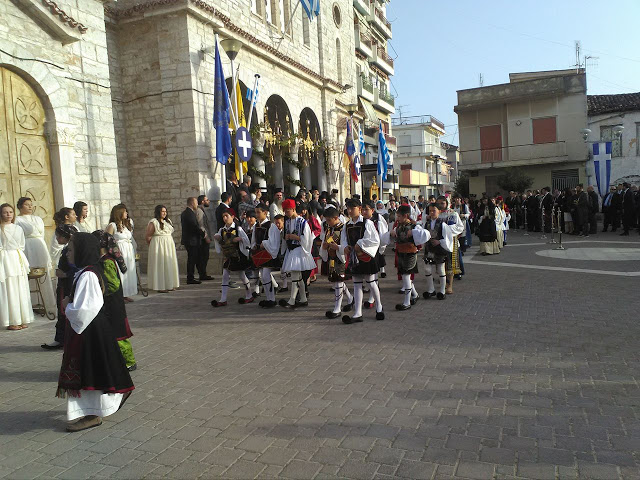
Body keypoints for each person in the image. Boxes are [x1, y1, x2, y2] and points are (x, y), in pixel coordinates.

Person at [56, 232, 134, 432]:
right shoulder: (85, 272)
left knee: (91, 373)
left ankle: (93, 413)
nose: (67, 254)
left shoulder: (89, 275)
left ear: (83, 250)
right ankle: (93, 409)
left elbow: (85, 310)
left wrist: (67, 304)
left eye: (71, 250)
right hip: (88, 331)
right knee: (93, 371)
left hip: (90, 332)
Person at [93, 230, 137, 372]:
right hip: (109, 304)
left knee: (119, 335)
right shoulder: (102, 260)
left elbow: (112, 285)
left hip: (113, 304)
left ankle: (129, 362)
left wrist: (100, 293)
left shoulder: (107, 262)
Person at [340, 198, 384, 324]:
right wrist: (345, 247)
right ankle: (358, 312)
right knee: (356, 283)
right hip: (354, 257)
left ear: (359, 209)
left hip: (366, 256)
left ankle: (379, 307)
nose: (349, 211)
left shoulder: (367, 223)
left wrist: (360, 243)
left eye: (352, 208)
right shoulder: (347, 225)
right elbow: (344, 240)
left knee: (371, 282)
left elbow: (375, 239)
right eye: (348, 209)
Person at [15, 196, 57, 316]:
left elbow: (41, 233)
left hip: (40, 245)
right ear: (20, 207)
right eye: (27, 204)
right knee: (31, 273)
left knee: (44, 274)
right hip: (28, 246)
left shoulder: (38, 219)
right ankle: (32, 303)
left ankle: (48, 303)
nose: (30, 206)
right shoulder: (17, 220)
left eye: (31, 204)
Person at [383, 204, 429, 311]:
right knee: (405, 276)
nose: (397, 219)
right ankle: (415, 295)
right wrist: (391, 232)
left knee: (406, 276)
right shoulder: (398, 226)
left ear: (406, 215)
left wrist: (413, 232)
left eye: (399, 216)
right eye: (397, 216)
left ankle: (407, 301)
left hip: (410, 253)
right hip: (400, 252)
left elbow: (425, 234)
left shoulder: (414, 226)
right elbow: (388, 236)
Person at [41, 224, 78, 349]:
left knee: (64, 312)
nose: (56, 238)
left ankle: (62, 339)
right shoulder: (67, 249)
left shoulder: (71, 250)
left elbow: (78, 267)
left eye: (58, 236)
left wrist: (66, 274)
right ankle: (62, 338)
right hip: (65, 284)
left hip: (67, 286)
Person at [0, 203, 34, 330]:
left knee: (20, 288)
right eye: (5, 212)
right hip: (5, 260)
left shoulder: (18, 229)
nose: (8, 214)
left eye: (10, 212)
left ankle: (22, 318)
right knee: (9, 289)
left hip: (17, 258)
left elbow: (21, 245)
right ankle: (11, 320)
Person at [211, 210, 253, 307]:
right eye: (223, 217)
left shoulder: (238, 229)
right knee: (225, 276)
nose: (224, 218)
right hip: (228, 257)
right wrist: (217, 238)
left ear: (232, 216)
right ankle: (223, 299)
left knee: (242, 275)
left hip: (237, 256)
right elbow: (220, 240)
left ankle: (249, 294)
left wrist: (240, 239)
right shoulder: (222, 230)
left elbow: (247, 241)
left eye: (226, 216)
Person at [279, 199, 315, 309]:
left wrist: (296, 237)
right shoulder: (287, 222)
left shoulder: (303, 222)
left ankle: (292, 300)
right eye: (285, 211)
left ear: (294, 209)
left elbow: (308, 238)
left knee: (295, 275)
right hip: (291, 250)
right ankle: (303, 298)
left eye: (288, 211)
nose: (286, 213)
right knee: (298, 277)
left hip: (299, 250)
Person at [319, 207, 354, 319]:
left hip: (340, 256)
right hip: (332, 256)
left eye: (329, 220)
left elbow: (347, 244)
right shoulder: (329, 228)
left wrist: (337, 247)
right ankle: (350, 298)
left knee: (338, 280)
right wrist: (324, 246)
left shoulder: (344, 228)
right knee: (335, 280)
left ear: (336, 218)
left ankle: (337, 308)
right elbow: (326, 240)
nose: (327, 222)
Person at [251, 204, 282, 309]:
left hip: (268, 254)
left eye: (258, 212)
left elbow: (274, 241)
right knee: (264, 276)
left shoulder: (271, 226)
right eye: (256, 212)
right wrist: (254, 245)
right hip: (260, 254)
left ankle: (271, 299)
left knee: (265, 275)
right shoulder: (256, 225)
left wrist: (264, 243)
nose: (257, 215)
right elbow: (254, 239)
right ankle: (269, 298)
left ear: (265, 212)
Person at [422, 203, 454, 300]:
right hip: (429, 249)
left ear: (439, 211)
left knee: (440, 269)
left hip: (439, 249)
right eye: (430, 211)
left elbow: (448, 237)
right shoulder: (426, 223)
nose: (432, 212)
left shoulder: (443, 223)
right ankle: (431, 289)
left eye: (434, 210)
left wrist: (439, 241)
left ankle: (442, 290)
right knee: (427, 268)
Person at [146, 205, 180, 293]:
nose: (164, 213)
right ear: (158, 212)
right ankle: (160, 286)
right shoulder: (153, 222)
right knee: (160, 264)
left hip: (168, 245)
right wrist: (154, 247)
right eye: (162, 211)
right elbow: (148, 236)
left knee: (169, 264)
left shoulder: (168, 221)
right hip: (158, 245)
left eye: (165, 211)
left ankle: (170, 284)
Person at [106, 205, 137, 301]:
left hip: (128, 252)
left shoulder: (125, 226)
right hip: (120, 251)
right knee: (121, 273)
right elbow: (107, 240)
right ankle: (120, 295)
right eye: (124, 212)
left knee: (128, 272)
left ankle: (126, 294)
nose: (127, 213)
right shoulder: (112, 226)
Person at [362, 201, 388, 312]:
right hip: (365, 251)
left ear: (372, 210)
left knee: (374, 275)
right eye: (362, 209)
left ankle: (373, 299)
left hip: (375, 250)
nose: (363, 212)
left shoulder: (378, 219)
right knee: (371, 276)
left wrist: (380, 250)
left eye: (366, 210)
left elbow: (383, 235)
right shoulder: (362, 221)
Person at [181, 197, 204, 285]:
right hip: (191, 240)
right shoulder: (188, 213)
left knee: (193, 259)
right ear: (191, 203)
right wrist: (202, 233)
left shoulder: (187, 213)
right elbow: (193, 226)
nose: (197, 205)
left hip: (191, 240)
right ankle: (190, 278)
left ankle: (195, 275)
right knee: (191, 259)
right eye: (196, 203)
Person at [51, 207, 77, 274]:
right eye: (73, 214)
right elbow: (55, 247)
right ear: (67, 217)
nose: (75, 216)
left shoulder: (75, 228)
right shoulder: (60, 230)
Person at [195, 195, 214, 281]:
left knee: (205, 256)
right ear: (202, 201)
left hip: (204, 237)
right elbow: (201, 225)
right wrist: (206, 236)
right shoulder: (199, 211)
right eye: (207, 200)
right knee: (203, 256)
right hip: (202, 238)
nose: (208, 201)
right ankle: (202, 274)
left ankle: (203, 273)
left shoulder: (201, 210)